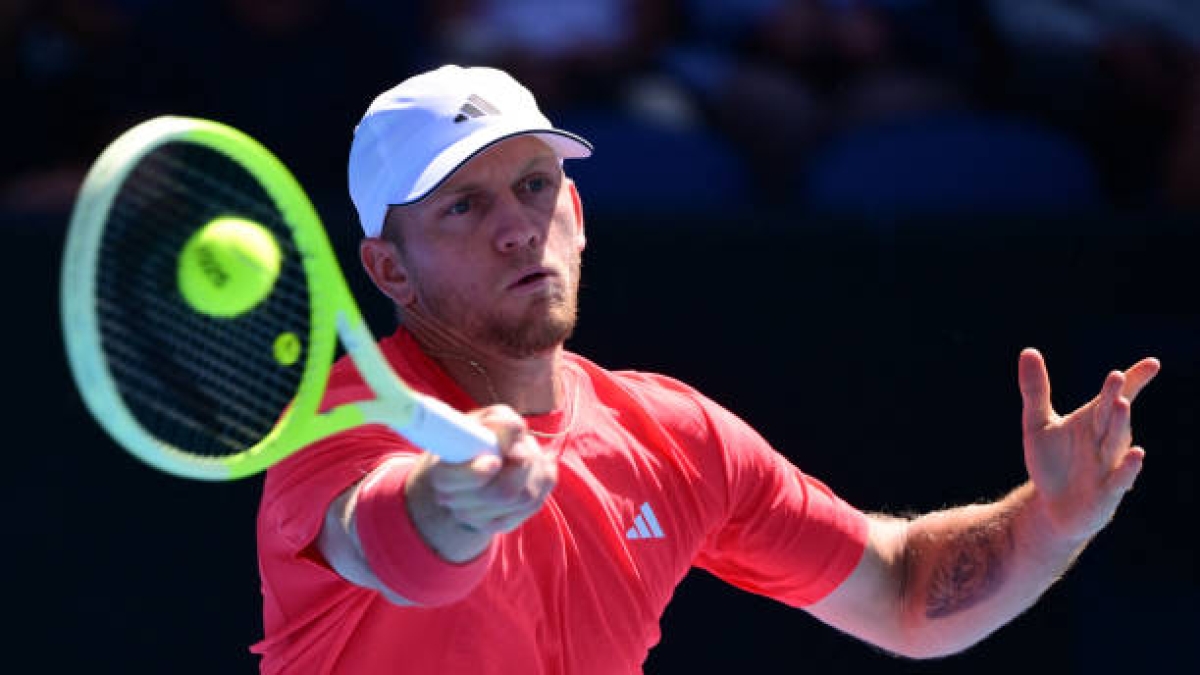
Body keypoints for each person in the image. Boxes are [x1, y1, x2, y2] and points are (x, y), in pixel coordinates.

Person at [251, 64, 1161, 674]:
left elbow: (901, 590)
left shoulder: (670, 436)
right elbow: (385, 539)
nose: (519, 226)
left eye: (536, 185)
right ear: (389, 270)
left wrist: (1049, 521)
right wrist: (455, 502)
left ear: (575, 208)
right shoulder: (346, 424)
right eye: (463, 206)